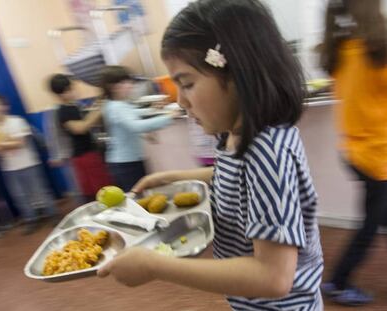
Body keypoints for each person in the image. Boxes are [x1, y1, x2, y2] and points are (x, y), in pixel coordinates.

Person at [97, 1, 324, 310]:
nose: (180, 101)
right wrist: (174, 178)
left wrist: (155, 266)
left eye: (187, 83)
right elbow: (236, 176)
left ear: (237, 75)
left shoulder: (266, 153)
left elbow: (273, 277)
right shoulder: (238, 135)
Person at [319, 0, 387, 306]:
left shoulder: (339, 53)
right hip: (377, 156)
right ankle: (337, 281)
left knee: (377, 216)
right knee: (369, 224)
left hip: (354, 151)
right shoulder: (378, 53)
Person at [0, 94, 58, 235]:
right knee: (19, 196)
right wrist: (5, 144)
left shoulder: (16, 121)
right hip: (9, 168)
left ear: (4, 106)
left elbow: (19, 143)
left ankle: (53, 214)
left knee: (39, 190)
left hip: (29, 164)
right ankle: (30, 219)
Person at [100, 66, 175, 192]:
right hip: (126, 163)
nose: (130, 85)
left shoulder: (116, 104)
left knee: (139, 195)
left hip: (126, 161)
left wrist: (153, 110)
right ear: (112, 87)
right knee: (137, 198)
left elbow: (133, 114)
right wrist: (169, 117)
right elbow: (136, 126)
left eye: (129, 81)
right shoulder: (117, 107)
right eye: (124, 82)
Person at [49, 74, 112, 202]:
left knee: (99, 188)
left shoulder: (74, 106)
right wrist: (100, 109)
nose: (75, 91)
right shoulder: (63, 110)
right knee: (99, 190)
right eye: (71, 88)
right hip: (83, 156)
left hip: (88, 153)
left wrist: (98, 103)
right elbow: (80, 128)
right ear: (62, 93)